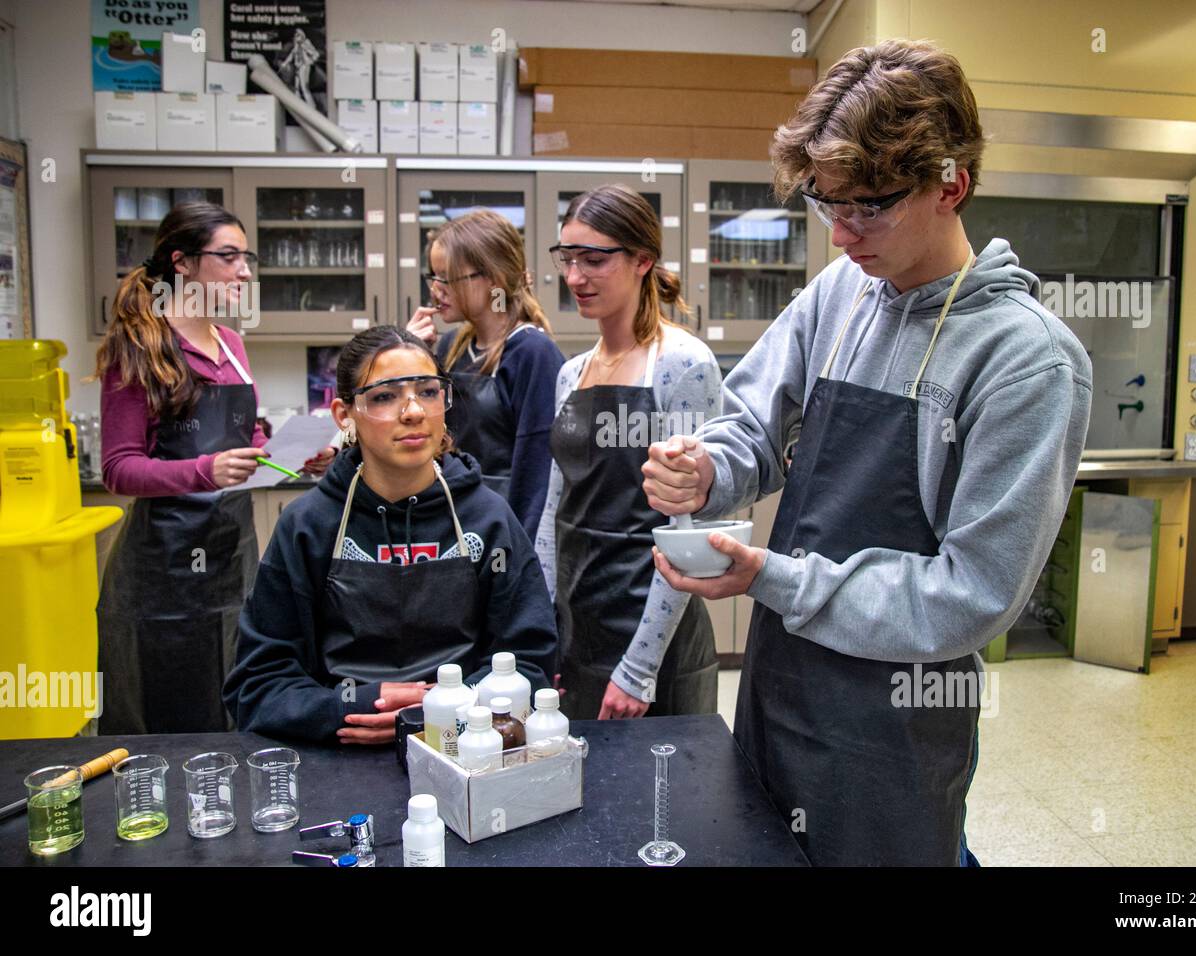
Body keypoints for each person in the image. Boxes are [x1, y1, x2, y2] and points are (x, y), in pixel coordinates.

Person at [642, 40, 1093, 865]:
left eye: (869, 207)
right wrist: (706, 469)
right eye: (826, 204)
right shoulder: (842, 293)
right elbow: (751, 424)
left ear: (950, 184)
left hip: (894, 726)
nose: (843, 235)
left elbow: (975, 593)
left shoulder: (1024, 360)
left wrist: (770, 577)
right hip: (778, 693)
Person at [223, 326, 557, 744]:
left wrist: (448, 709)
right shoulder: (308, 527)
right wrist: (351, 707)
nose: (413, 412)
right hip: (339, 755)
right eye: (385, 396)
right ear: (345, 415)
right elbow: (257, 685)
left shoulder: (489, 519)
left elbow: (530, 660)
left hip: (467, 749)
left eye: (428, 392)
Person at [93, 201, 332, 735]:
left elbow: (246, 442)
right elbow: (118, 469)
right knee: (170, 709)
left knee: (235, 687)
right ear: (182, 263)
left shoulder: (231, 343)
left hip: (232, 548)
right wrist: (205, 471)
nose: (244, 270)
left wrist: (292, 458)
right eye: (228, 257)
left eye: (245, 257)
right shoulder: (138, 345)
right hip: (164, 565)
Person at [535, 184, 722, 721]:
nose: (575, 277)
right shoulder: (571, 375)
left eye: (594, 260)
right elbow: (554, 513)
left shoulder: (682, 365)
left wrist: (639, 667)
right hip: (577, 628)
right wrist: (542, 627)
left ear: (643, 260)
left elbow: (690, 531)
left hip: (653, 637)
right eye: (567, 259)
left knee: (658, 797)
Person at [406, 209, 564, 540]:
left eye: (446, 278)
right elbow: (416, 433)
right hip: (452, 526)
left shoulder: (533, 354)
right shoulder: (449, 347)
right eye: (433, 276)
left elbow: (537, 477)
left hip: (502, 533)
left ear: (491, 279)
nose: (436, 290)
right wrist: (410, 358)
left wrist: (516, 556)